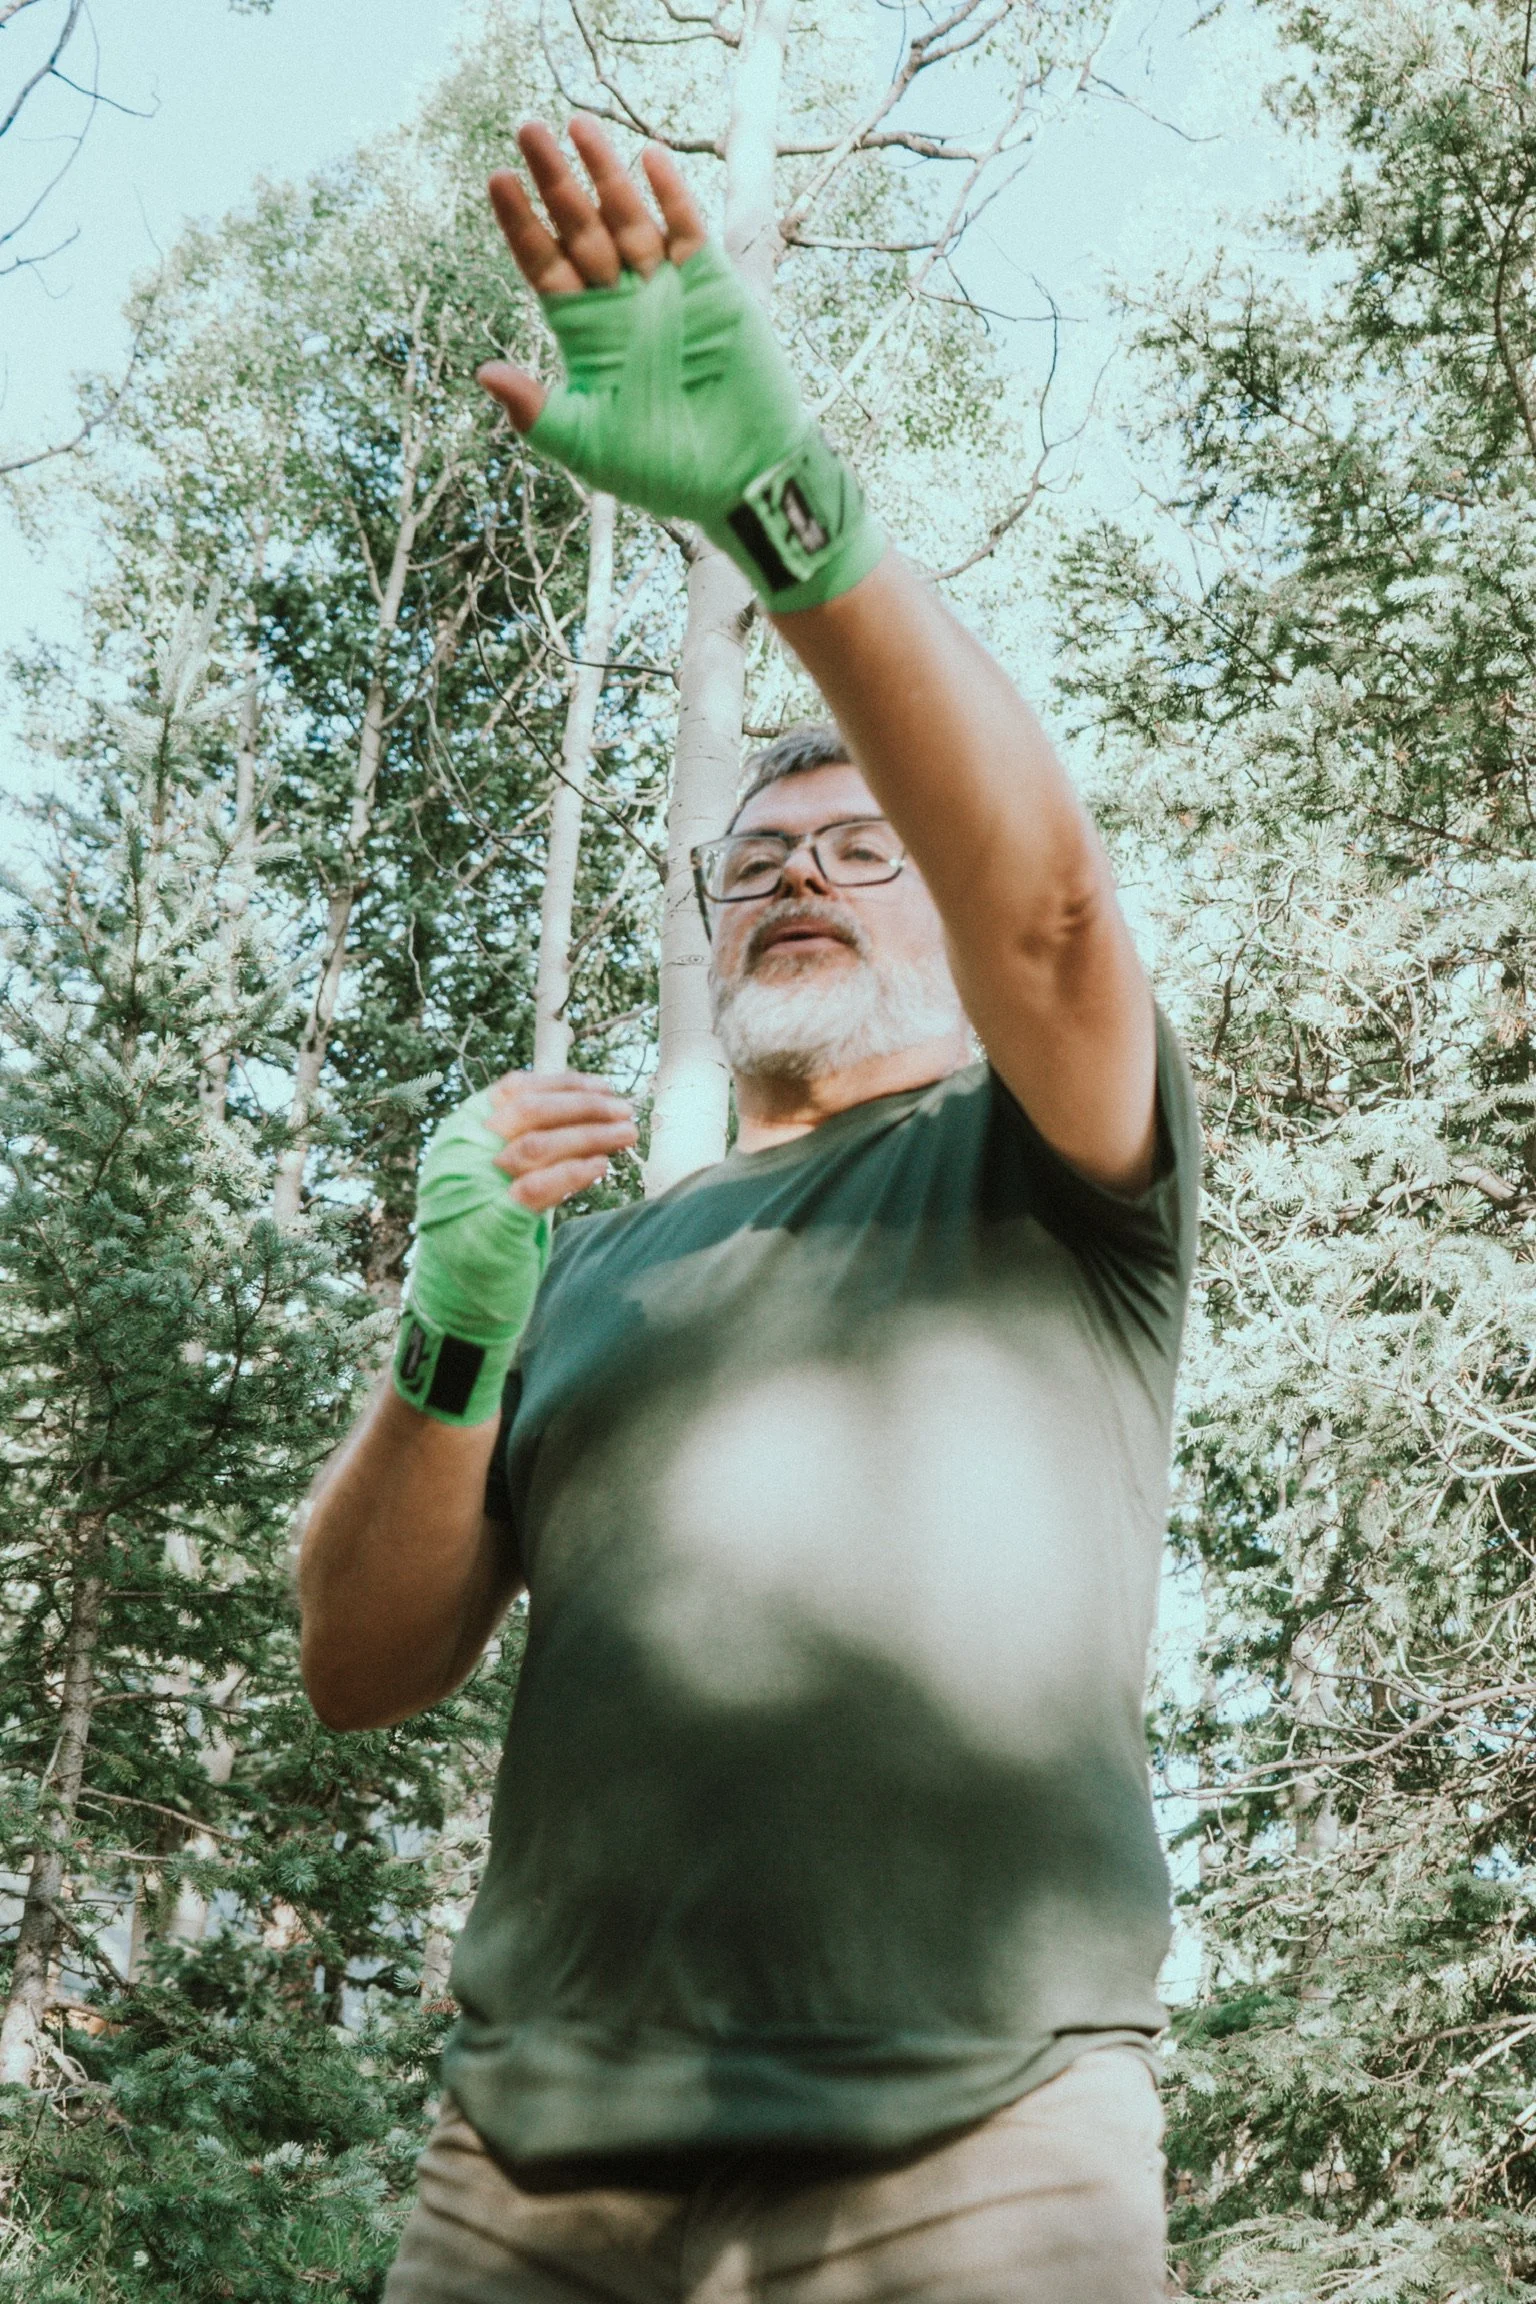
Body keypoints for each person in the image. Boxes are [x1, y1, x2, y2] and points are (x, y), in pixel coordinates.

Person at [298, 114, 1200, 2304]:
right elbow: (358, 1659)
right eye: (759, 860)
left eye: (864, 843)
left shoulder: (1052, 1166)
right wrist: (450, 1340)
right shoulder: (593, 1251)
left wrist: (779, 508)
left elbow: (1057, 913)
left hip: (979, 2136)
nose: (800, 867)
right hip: (527, 2169)